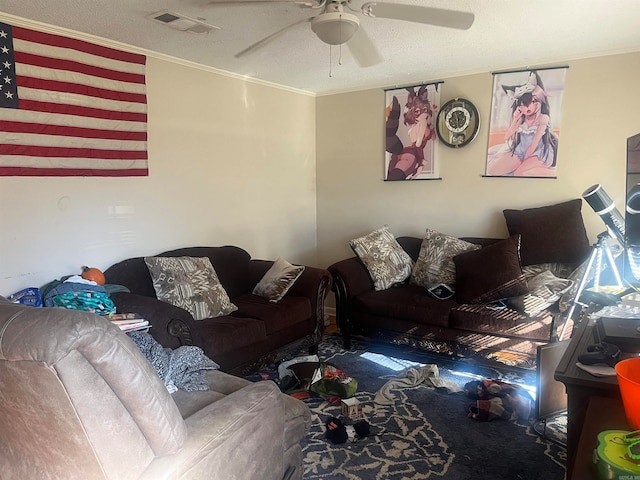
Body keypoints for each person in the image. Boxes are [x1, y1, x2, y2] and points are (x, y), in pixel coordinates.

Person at [486, 71, 558, 177]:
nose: (526, 107)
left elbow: (535, 142)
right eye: (522, 104)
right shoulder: (522, 118)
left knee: (520, 172)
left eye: (532, 102)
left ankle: (551, 172)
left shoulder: (543, 118)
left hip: (538, 152)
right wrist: (516, 119)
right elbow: (507, 136)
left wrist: (524, 160)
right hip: (520, 150)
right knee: (492, 170)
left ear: (538, 102)